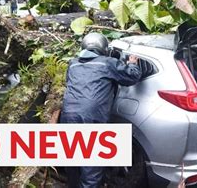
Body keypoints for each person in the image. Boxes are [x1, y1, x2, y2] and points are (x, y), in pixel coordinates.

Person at [60, 32, 142, 188]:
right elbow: (131, 77)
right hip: (92, 118)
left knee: (72, 163)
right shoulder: (108, 63)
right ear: (103, 48)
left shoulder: (73, 64)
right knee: (91, 166)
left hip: (68, 115)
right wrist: (132, 63)